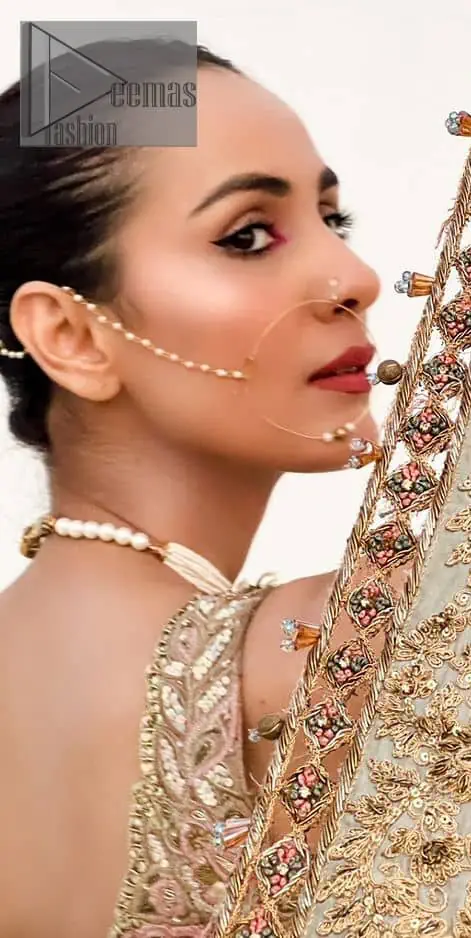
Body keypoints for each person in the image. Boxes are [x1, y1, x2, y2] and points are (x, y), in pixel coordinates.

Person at [0, 41, 385, 938]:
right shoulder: (331, 647)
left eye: (335, 218)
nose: (355, 280)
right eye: (247, 236)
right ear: (70, 336)